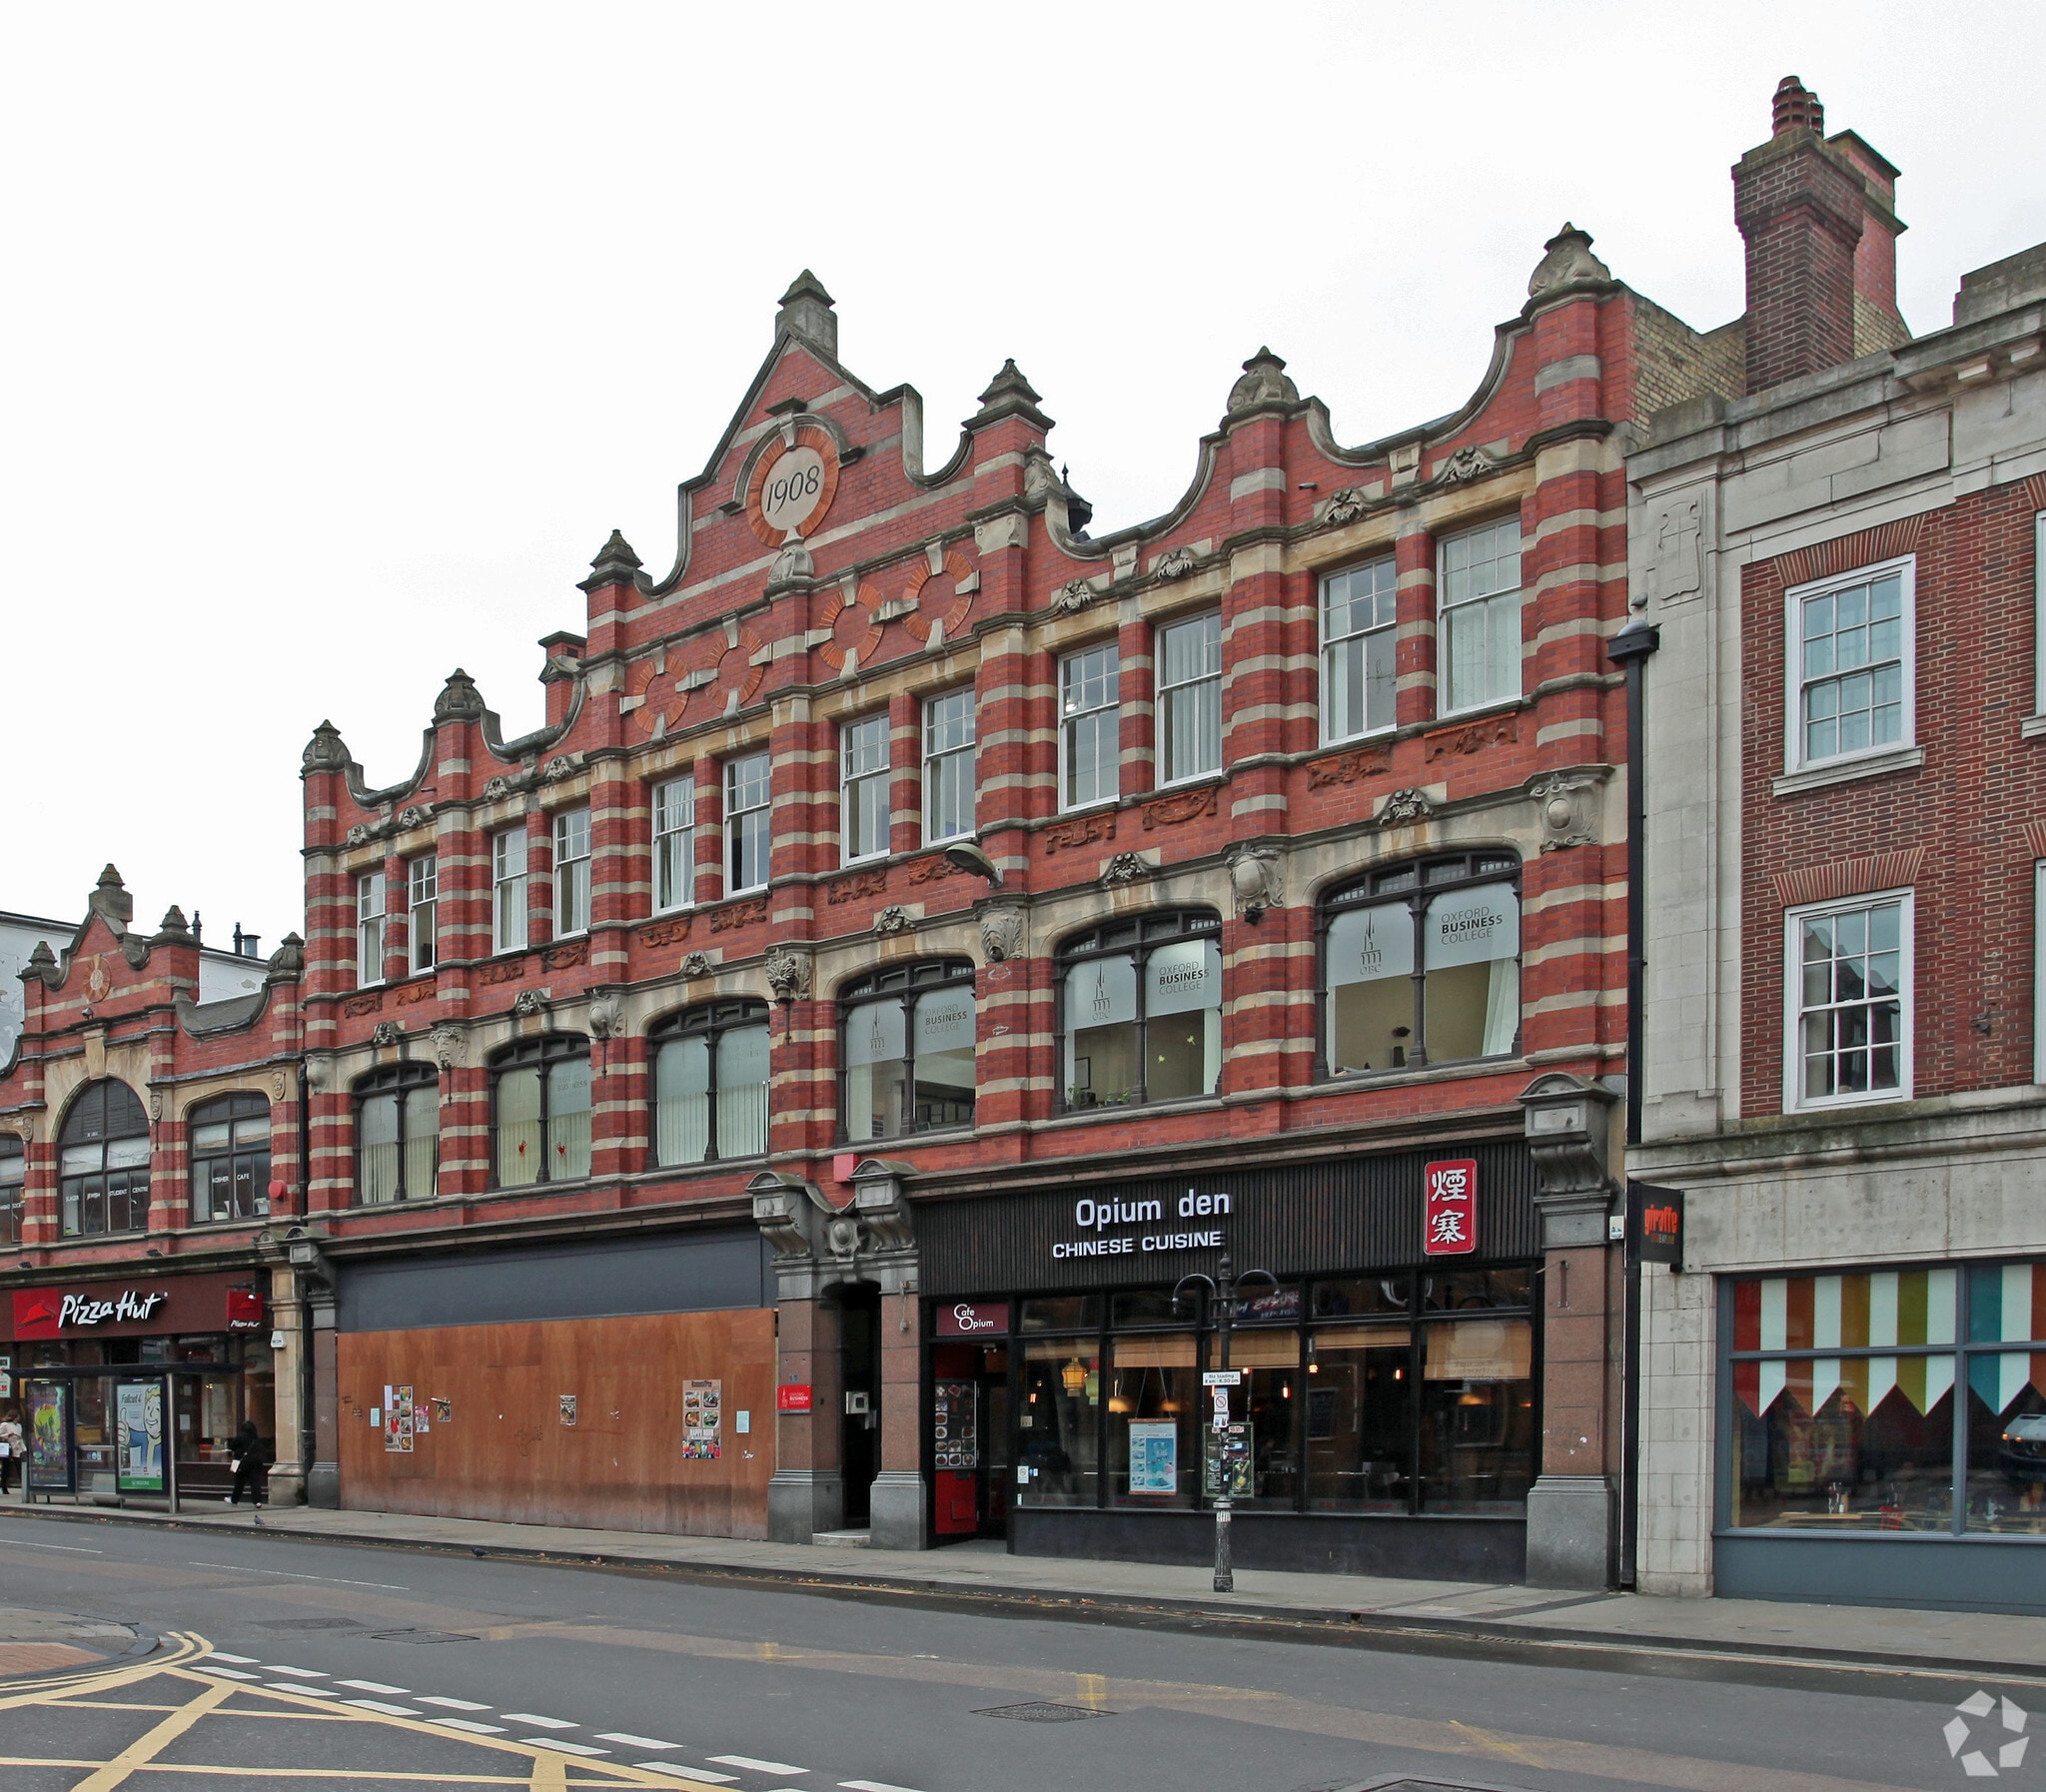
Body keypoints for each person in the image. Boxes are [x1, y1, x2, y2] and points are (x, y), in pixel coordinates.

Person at [226, 1419, 263, 1506]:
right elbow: (260, 1449)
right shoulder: (256, 1438)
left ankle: (234, 1499)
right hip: (255, 1462)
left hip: (242, 1462)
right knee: (255, 1482)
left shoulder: (240, 1437)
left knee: (239, 1482)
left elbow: (232, 1447)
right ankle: (257, 1501)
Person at [0, 1405, 22, 1497]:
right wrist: (7, 1435)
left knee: (20, 1467)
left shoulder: (19, 1426)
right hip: (8, 1447)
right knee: (6, 1468)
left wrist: (24, 1449)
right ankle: (4, 1487)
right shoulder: (4, 1425)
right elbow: (0, 1435)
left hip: (17, 1447)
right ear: (15, 1417)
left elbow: (20, 1437)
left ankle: (23, 1485)